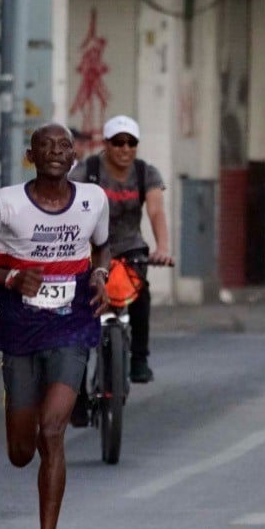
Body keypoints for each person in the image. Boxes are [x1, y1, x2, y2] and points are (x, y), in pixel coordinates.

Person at [0, 123, 110, 529]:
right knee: (23, 451)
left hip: (73, 322)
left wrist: (101, 275)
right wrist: (9, 279)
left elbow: (102, 247)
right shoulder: (4, 203)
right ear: (31, 155)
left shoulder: (93, 200)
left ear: (74, 157)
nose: (56, 153)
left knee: (53, 430)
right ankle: (17, 402)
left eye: (65, 146)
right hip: (21, 327)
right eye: (46, 146)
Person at [70, 115, 173, 384]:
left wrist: (162, 248)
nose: (125, 149)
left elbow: (156, 211)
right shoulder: (87, 171)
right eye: (118, 142)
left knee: (141, 295)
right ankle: (76, 375)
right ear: (106, 144)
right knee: (79, 305)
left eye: (131, 143)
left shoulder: (145, 173)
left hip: (130, 249)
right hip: (91, 250)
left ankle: (139, 359)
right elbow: (68, 206)